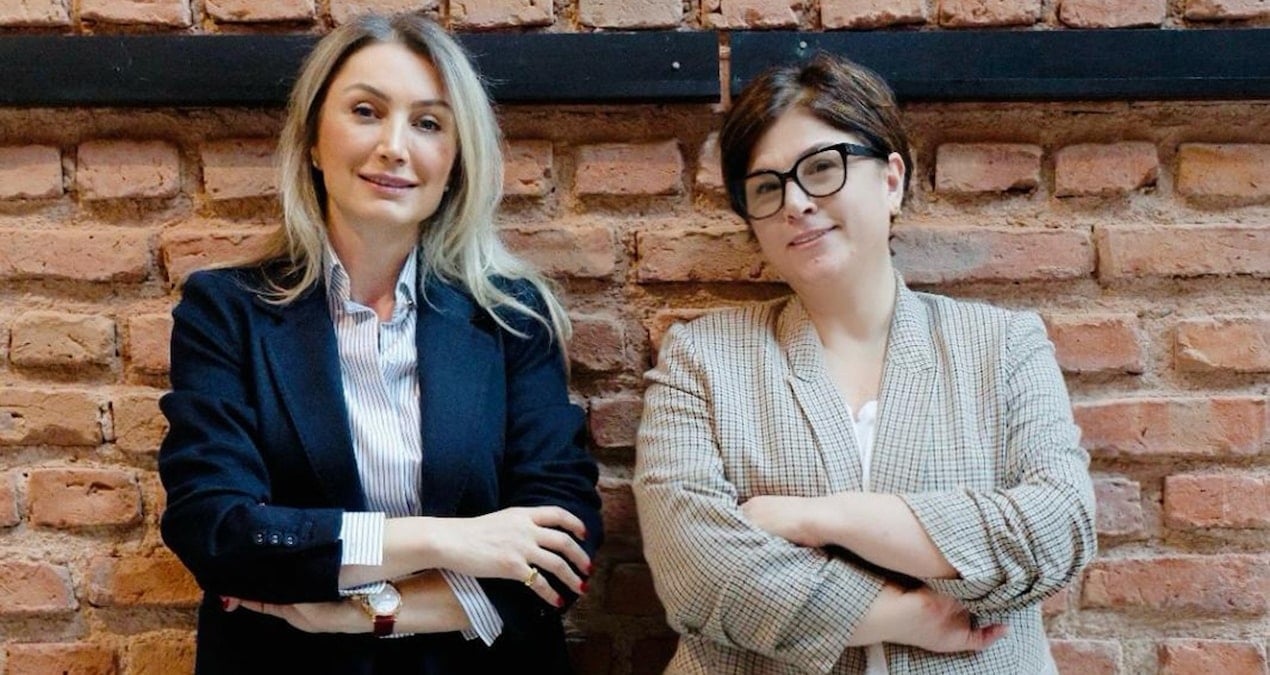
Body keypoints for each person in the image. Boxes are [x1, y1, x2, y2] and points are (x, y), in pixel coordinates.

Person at [158, 13, 602, 674]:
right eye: (366, 111)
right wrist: (448, 540)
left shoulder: (511, 316)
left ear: (455, 161)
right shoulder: (226, 312)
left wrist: (362, 611)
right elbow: (217, 531)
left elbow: (563, 548)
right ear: (312, 141)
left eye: (428, 123)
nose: (395, 147)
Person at [633, 53, 1096, 674]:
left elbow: (1058, 532)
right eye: (766, 187)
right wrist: (905, 616)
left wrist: (825, 518)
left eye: (823, 167)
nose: (796, 201)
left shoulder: (1003, 345)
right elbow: (693, 566)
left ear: (891, 180)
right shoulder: (703, 359)